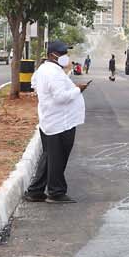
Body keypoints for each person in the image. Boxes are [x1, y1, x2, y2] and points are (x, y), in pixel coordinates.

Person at [23, 39, 87, 203]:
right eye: (63, 53)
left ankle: (35, 191)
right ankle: (56, 192)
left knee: (50, 157)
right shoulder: (53, 73)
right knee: (58, 158)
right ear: (53, 55)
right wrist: (78, 90)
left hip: (51, 120)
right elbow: (60, 97)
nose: (66, 56)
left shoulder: (44, 69)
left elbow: (34, 84)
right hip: (60, 122)